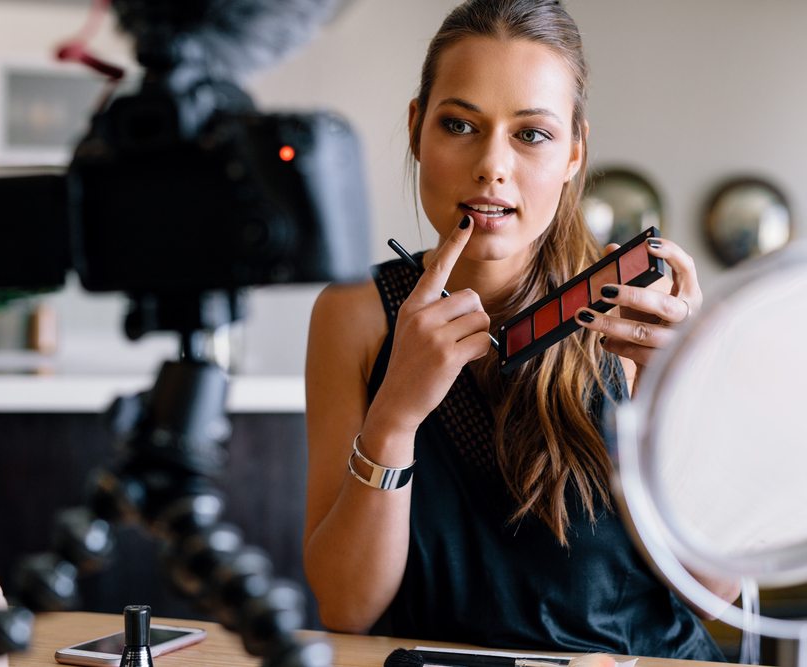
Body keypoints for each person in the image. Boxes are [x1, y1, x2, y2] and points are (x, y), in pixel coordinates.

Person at [303, 0, 738, 660]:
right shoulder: (356, 313)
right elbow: (346, 606)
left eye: (531, 134)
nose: (492, 166)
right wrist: (393, 418)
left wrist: (667, 415)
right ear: (418, 129)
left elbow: (714, 592)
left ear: (573, 152)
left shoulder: (631, 311)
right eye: (459, 124)